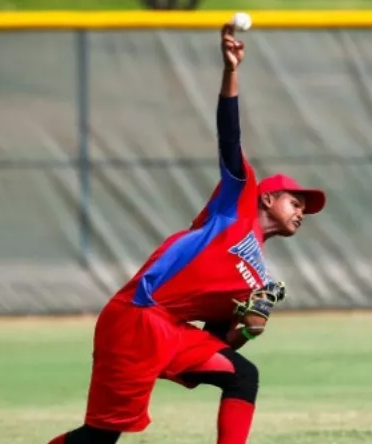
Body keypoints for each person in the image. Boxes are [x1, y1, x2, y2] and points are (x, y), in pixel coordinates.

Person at [47, 21, 326, 444]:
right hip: (136, 317)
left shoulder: (257, 278)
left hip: (171, 330)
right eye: (296, 201)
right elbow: (229, 136)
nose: (301, 211)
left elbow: (215, 341)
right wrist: (230, 70)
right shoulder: (236, 205)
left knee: (241, 376)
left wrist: (247, 329)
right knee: (99, 439)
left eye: (305, 208)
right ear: (268, 198)